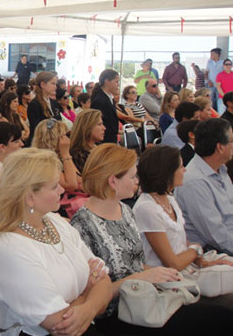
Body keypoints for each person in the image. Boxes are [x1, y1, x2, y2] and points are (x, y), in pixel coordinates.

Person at [71, 143, 233, 333]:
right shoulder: (82, 226)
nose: (137, 181)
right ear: (113, 181)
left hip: (144, 297)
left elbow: (136, 263)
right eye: (132, 176)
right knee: (220, 316)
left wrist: (161, 273)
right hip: (120, 312)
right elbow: (90, 295)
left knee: (222, 311)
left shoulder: (124, 211)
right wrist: (146, 275)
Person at [0, 148, 112, 336]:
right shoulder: (8, 248)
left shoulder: (55, 221)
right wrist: (88, 294)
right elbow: (58, 325)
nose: (62, 189)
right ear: (30, 197)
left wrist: (87, 308)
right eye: (54, 186)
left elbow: (105, 281)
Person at [133, 145, 233, 271]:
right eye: (180, 167)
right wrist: (195, 250)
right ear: (167, 172)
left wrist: (203, 262)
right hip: (167, 278)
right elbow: (173, 264)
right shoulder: (147, 208)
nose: (185, 170)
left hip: (189, 267)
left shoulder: (169, 199)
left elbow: (182, 244)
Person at [175, 118, 233, 255]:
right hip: (211, 253)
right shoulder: (195, 182)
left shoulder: (221, 170)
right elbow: (216, 235)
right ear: (220, 147)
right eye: (231, 141)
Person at [32, 118, 82, 192]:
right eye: (65, 135)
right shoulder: (43, 161)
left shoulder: (59, 156)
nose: (68, 139)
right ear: (54, 139)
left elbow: (80, 181)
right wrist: (66, 154)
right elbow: (71, 184)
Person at [27, 71, 61, 145]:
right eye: (53, 83)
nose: (55, 87)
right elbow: (37, 127)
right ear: (43, 84)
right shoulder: (34, 104)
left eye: (55, 84)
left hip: (53, 141)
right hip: (39, 142)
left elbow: (59, 120)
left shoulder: (54, 103)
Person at [70, 109, 105, 174]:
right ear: (88, 127)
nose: (104, 128)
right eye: (99, 124)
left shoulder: (98, 148)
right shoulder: (78, 155)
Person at [90, 69, 120, 144]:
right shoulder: (100, 101)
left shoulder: (109, 98)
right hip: (104, 141)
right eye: (116, 81)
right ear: (107, 81)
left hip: (111, 139)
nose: (118, 84)